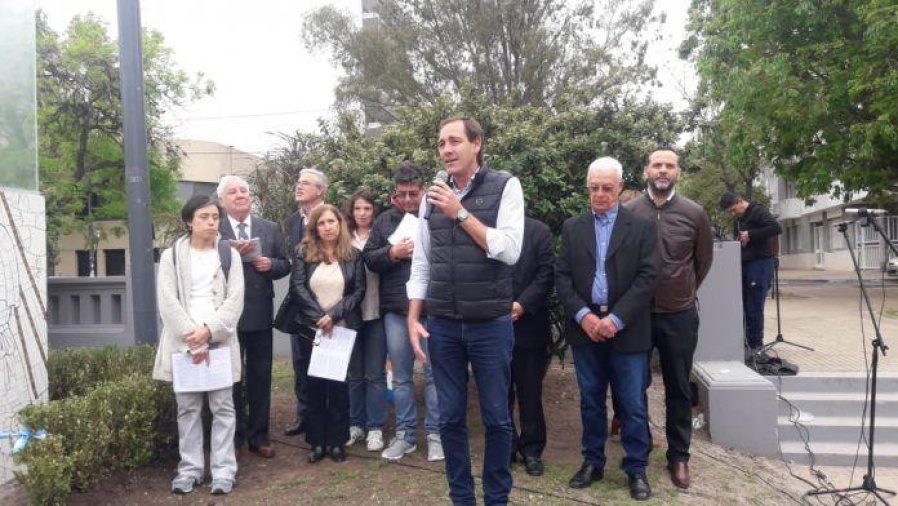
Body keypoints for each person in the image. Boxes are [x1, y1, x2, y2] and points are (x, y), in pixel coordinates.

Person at [407, 116, 525, 505]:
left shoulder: (506, 186)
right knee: (450, 418)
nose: (446, 149)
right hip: (442, 323)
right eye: (441, 143)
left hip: (490, 324)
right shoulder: (430, 196)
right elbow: (422, 261)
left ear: (477, 144)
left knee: (496, 418)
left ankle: (496, 498)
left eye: (454, 141)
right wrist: (413, 316)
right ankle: (461, 497)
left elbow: (508, 250)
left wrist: (459, 212)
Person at [554, 157, 658, 501]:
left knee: (631, 403)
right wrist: (584, 315)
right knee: (591, 401)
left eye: (607, 188)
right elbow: (562, 276)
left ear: (621, 189)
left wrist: (615, 320)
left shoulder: (641, 227)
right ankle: (592, 462)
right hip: (586, 329)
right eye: (594, 188)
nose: (600, 194)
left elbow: (647, 278)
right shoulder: (572, 227)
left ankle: (636, 468)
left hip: (626, 329)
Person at [626, 148, 713, 489]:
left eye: (670, 166)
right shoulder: (630, 211)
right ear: (645, 170)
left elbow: (702, 262)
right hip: (638, 314)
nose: (663, 170)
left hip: (679, 314)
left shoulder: (695, 213)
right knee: (635, 386)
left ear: (678, 172)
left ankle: (679, 456)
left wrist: (683, 290)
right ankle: (641, 446)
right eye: (657, 165)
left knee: (678, 387)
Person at [153, 195, 244, 495]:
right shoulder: (172, 256)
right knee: (188, 409)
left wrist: (210, 331)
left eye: (215, 216)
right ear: (189, 221)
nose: (211, 222)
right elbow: (167, 301)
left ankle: (223, 470)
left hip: (218, 342)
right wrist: (191, 335)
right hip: (184, 345)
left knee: (223, 408)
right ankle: (190, 470)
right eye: (204, 216)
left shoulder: (229, 254)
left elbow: (235, 300)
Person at [363, 161, 443, 462]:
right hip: (397, 310)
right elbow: (370, 258)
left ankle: (436, 434)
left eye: (413, 193)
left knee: (436, 375)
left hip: (433, 309)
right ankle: (405, 435)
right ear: (394, 195)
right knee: (401, 377)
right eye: (402, 195)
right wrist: (391, 253)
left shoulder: (437, 214)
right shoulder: (385, 222)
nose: (408, 200)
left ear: (423, 190)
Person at [217, 175, 290, 459]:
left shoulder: (269, 228)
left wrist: (270, 264)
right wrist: (230, 252)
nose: (240, 195)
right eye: (233, 192)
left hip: (260, 310)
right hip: (228, 315)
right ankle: (234, 436)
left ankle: (259, 437)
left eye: (244, 191)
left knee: (261, 375)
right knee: (231, 376)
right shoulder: (216, 230)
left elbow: (285, 264)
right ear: (223, 201)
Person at [289, 204, 366, 463]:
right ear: (315, 227)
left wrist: (333, 316)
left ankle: (336, 442)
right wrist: (319, 318)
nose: (327, 227)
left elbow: (358, 291)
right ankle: (316, 442)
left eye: (331, 221)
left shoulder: (353, 255)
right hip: (311, 330)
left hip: (340, 329)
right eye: (321, 223)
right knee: (314, 387)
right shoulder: (303, 252)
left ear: (340, 224)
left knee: (338, 387)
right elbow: (297, 288)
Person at [508, 216, 554, 477]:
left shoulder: (539, 230)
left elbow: (546, 273)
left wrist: (521, 304)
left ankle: (532, 449)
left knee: (530, 392)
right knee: (498, 393)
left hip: (530, 324)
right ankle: (507, 445)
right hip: (492, 323)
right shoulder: (484, 229)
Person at [284, 168, 327, 437]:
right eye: (298, 183)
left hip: (328, 304)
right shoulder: (292, 221)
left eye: (306, 184)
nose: (299, 187)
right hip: (299, 303)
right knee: (301, 363)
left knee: (327, 364)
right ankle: (305, 416)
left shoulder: (332, 216)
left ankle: (329, 420)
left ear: (320, 190)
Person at [344, 189, 388, 451]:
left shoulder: (379, 237)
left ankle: (375, 427)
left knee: (375, 373)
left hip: (375, 310)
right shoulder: (342, 237)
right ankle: (355, 424)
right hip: (349, 313)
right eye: (358, 209)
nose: (362, 214)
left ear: (374, 212)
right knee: (354, 373)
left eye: (367, 209)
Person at [718, 190, 782, 354]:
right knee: (745, 306)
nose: (733, 214)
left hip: (760, 264)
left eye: (733, 210)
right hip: (746, 264)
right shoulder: (740, 219)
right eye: (730, 212)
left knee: (754, 306)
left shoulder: (757, 211)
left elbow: (775, 228)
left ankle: (756, 346)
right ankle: (746, 342)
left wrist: (751, 234)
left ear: (740, 201)